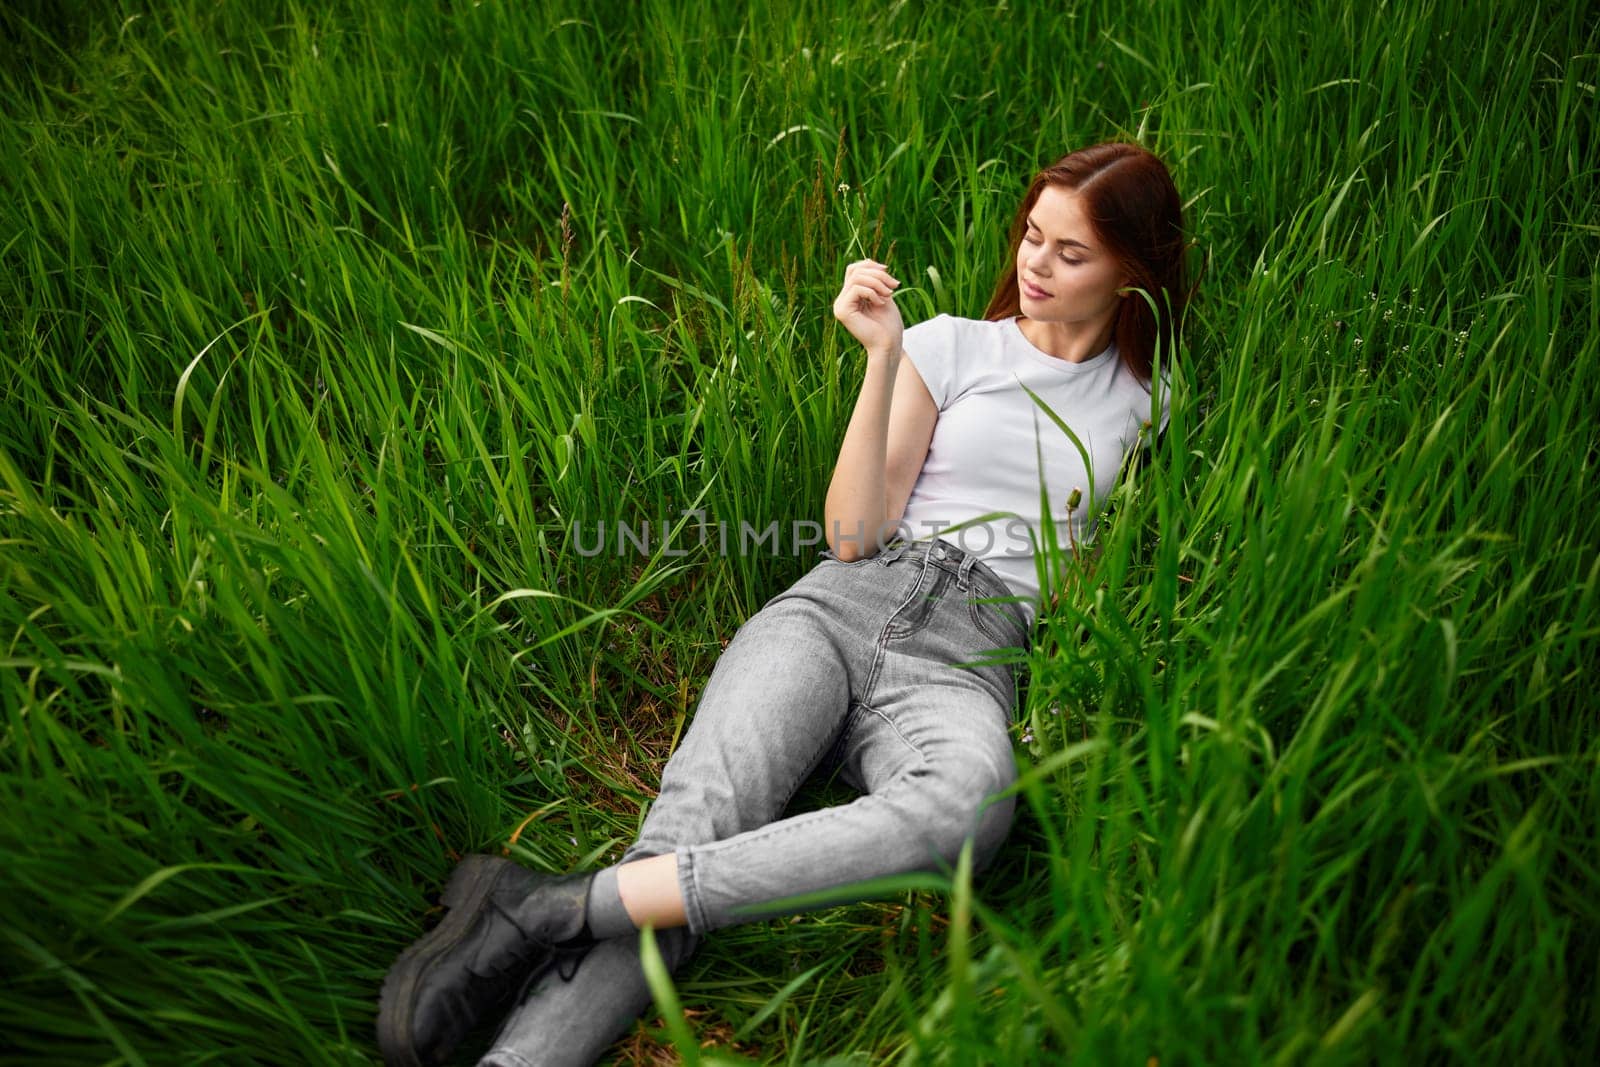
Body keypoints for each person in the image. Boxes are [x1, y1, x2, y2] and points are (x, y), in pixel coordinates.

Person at [377, 140, 1189, 1067]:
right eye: (1032, 237)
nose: (1034, 265)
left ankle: (548, 907)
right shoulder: (953, 344)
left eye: (1070, 252)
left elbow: (1105, 575)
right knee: (690, 834)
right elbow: (852, 533)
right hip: (843, 604)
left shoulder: (1150, 402)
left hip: (973, 655)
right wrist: (882, 358)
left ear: (1134, 268)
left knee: (969, 808)